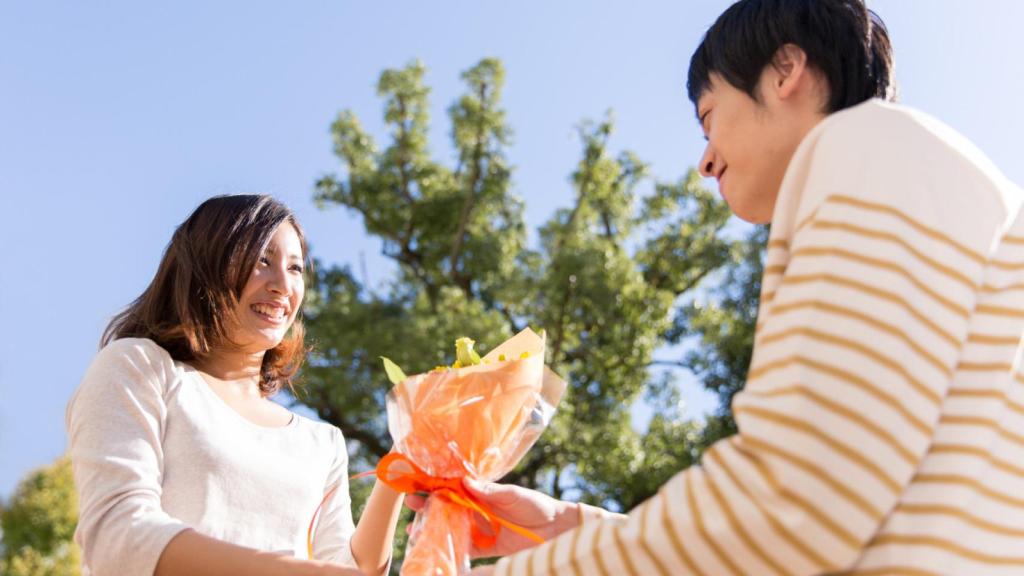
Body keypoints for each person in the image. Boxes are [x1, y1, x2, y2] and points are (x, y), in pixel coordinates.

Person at [442, 1, 1024, 574]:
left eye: (709, 115)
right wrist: (570, 531)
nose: (705, 161)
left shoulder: (862, 145)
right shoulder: (913, 174)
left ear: (784, 70)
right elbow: (849, 504)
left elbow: (795, 505)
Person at [66, 195, 402, 575]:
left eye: (294, 268)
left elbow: (351, 567)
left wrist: (405, 456)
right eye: (262, 260)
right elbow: (119, 535)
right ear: (208, 263)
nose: (282, 285)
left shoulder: (321, 443)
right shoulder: (141, 368)